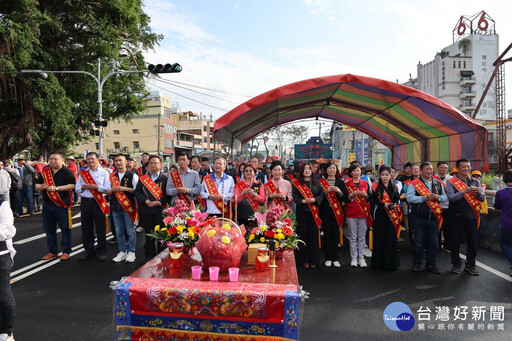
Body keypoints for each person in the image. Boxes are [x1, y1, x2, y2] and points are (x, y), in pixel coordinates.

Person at [445, 158, 486, 276]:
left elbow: (482, 199)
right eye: (463, 166)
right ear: (458, 169)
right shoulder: (451, 182)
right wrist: (464, 191)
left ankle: (470, 265)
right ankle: (456, 264)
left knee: (472, 242)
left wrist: (478, 193)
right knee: (455, 242)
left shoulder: (475, 181)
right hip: (456, 216)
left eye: (468, 166)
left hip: (472, 216)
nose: (467, 169)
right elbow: (451, 198)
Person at [406, 161, 447, 274]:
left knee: (433, 242)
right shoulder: (415, 183)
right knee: (418, 242)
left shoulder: (437, 183)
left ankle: (431, 264)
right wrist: (425, 198)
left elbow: (445, 197)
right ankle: (417, 263)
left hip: (433, 217)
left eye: (431, 169)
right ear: (421, 171)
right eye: (427, 169)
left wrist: (439, 198)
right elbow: (409, 198)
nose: (429, 171)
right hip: (418, 217)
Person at [35, 152, 76, 261]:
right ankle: (52, 251)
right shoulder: (45, 172)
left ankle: (66, 251)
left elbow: (72, 185)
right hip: (47, 205)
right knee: (49, 229)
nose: (52, 161)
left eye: (55, 159)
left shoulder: (67, 172)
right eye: (51, 159)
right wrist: (42, 186)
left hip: (61, 205)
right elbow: (37, 185)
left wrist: (56, 188)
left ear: (62, 160)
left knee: (65, 229)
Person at [75, 152, 111, 262]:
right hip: (86, 202)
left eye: (92, 159)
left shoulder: (103, 173)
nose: (90, 161)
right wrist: (83, 187)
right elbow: (76, 189)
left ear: (98, 160)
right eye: (88, 159)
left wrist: (96, 187)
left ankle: (101, 251)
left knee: (100, 228)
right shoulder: (83, 173)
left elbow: (107, 189)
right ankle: (88, 250)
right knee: (86, 227)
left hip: (98, 201)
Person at [135, 155, 170, 257]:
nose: (153, 165)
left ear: (160, 165)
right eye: (151, 163)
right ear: (148, 165)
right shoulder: (143, 179)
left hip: (160, 211)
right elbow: (138, 192)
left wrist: (159, 202)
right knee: (148, 235)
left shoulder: (165, 178)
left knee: (161, 235)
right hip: (146, 210)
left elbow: (167, 194)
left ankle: (161, 256)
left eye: (156, 163)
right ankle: (149, 257)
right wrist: (145, 200)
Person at [107, 154, 139, 263]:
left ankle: (132, 252)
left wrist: (123, 188)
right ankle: (122, 252)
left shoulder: (132, 175)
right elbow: (108, 191)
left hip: (128, 207)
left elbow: (137, 191)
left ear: (126, 162)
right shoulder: (112, 176)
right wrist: (112, 190)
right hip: (115, 207)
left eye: (120, 160)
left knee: (130, 231)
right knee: (118, 231)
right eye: (116, 161)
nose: (118, 163)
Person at [292, 162, 323, 268]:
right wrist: (303, 201)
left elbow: (321, 195)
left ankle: (313, 260)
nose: (307, 170)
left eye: (309, 169)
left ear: (312, 170)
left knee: (313, 236)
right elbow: (295, 196)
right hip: (302, 212)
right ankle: (303, 260)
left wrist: (314, 199)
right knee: (303, 235)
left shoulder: (317, 183)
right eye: (305, 169)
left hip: (313, 212)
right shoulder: (296, 183)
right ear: (302, 171)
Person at [370, 165, 401, 271]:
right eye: (383, 175)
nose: (385, 177)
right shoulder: (375, 188)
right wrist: (384, 205)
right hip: (381, 214)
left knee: (391, 238)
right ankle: (380, 263)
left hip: (392, 215)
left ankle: (391, 263)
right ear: (379, 175)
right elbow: (373, 200)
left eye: (387, 174)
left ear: (390, 175)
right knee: (380, 237)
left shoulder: (394, 187)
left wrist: (394, 205)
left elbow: (397, 200)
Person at [343, 163, 371, 267]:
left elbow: (370, 197)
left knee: (362, 237)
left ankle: (361, 257)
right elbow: (344, 199)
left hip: (363, 212)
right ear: (351, 173)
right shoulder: (346, 184)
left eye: (358, 170)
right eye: (354, 171)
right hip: (351, 212)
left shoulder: (365, 183)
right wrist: (351, 195)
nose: (356, 172)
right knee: (353, 237)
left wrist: (366, 195)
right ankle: (353, 258)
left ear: (361, 172)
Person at [318, 161, 345, 268]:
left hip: (336, 212)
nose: (332, 170)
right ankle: (328, 257)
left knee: (335, 234)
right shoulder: (321, 182)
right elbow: (318, 199)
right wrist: (325, 192)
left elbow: (345, 198)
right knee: (327, 234)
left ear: (336, 170)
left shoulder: (340, 183)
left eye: (334, 168)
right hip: (325, 211)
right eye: (330, 168)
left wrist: (339, 191)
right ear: (326, 170)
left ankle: (335, 257)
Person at [0, 197, 16, 341]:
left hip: (1, 256)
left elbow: (7, 232)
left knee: (3, 296)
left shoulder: (3, 205)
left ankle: (7, 332)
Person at [493, 169, 512, 277]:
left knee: (504, 244)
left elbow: (496, 206)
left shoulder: (501, 193)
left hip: (507, 224)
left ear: (504, 180)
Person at [433, 161, 452, 251]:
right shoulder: (432, 179)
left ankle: (447, 245)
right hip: (436, 206)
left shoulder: (451, 179)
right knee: (437, 227)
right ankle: (437, 244)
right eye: (442, 168)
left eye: (446, 168)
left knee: (448, 226)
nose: (444, 170)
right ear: (437, 168)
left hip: (448, 206)